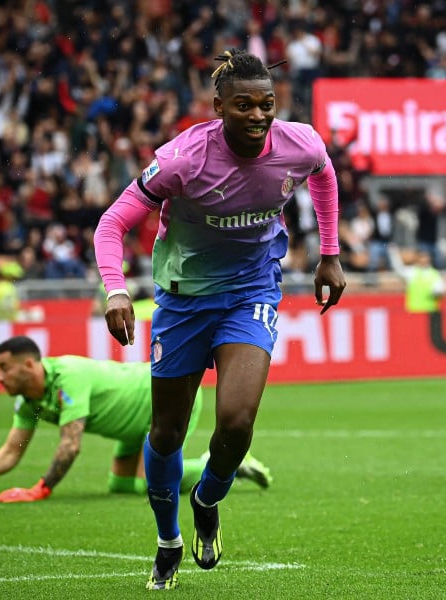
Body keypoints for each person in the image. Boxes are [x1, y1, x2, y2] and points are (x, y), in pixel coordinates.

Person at [93, 49, 346, 590]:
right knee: (166, 433)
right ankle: (167, 539)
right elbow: (111, 224)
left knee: (235, 423)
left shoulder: (299, 143)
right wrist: (116, 291)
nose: (258, 116)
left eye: (267, 105)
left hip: (251, 293)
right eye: (244, 105)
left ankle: (206, 498)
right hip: (183, 302)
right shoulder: (183, 159)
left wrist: (330, 252)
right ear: (218, 107)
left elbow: (323, 176)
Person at [0, 336, 272, 502]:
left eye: (5, 368)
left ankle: (222, 464)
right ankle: (212, 465)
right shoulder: (29, 402)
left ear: (31, 365)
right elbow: (13, 449)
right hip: (132, 424)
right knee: (119, 487)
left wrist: (41, 489)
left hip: (161, 399)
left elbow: (70, 445)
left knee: (153, 484)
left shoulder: (67, 378)